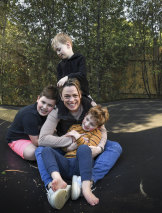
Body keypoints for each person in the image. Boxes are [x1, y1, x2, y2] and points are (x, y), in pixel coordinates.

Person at [35, 78, 122, 209]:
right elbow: (42, 139)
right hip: (66, 147)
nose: (72, 100)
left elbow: (102, 131)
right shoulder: (57, 111)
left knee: (115, 147)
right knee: (40, 150)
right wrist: (69, 141)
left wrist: (99, 148)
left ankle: (87, 182)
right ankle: (53, 187)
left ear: (80, 95)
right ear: (61, 97)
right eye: (67, 96)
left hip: (89, 146)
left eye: (75, 95)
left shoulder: (90, 106)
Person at [41, 105, 109, 209]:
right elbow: (64, 147)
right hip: (66, 164)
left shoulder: (97, 134)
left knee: (83, 149)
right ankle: (58, 179)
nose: (86, 124)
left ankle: (86, 189)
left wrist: (77, 138)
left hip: (80, 166)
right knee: (46, 150)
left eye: (92, 124)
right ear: (85, 115)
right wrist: (69, 148)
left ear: (98, 127)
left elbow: (88, 150)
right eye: (87, 119)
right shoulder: (74, 127)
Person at [6, 85, 59, 161]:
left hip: (36, 135)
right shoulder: (29, 115)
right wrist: (58, 142)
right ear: (38, 98)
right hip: (19, 139)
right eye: (43, 102)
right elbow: (36, 142)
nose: (44, 107)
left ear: (54, 106)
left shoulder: (50, 113)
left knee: (54, 139)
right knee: (33, 153)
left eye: (50, 105)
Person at [51, 32, 91, 99]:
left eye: (59, 49)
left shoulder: (80, 58)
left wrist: (67, 77)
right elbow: (59, 83)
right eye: (56, 51)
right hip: (67, 97)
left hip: (82, 94)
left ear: (68, 45)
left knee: (95, 108)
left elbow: (82, 75)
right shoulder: (60, 65)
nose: (58, 53)